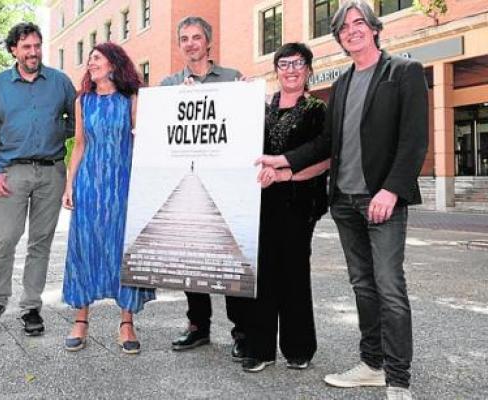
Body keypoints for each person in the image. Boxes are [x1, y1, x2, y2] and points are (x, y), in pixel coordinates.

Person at [256, 1, 428, 399]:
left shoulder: (403, 72)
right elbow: (326, 144)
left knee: (389, 287)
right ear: (338, 38)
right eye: (344, 27)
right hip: (345, 202)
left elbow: (414, 139)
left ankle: (398, 379)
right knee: (362, 287)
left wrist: (391, 189)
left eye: (358, 23)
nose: (352, 30)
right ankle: (371, 364)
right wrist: (283, 164)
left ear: (373, 28)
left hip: (382, 199)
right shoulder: (342, 84)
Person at [0, 22, 76, 335]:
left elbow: (79, 122)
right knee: (5, 238)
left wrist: (61, 134)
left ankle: (31, 306)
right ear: (13, 50)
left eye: (37, 46)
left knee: (40, 242)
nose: (33, 52)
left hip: (51, 171)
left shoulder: (60, 82)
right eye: (26, 47)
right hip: (11, 172)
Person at [159, 16, 247, 359]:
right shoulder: (168, 85)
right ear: (179, 44)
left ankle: (241, 331)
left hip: (226, 183)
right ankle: (198, 326)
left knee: (230, 258)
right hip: (187, 182)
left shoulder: (233, 78)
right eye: (185, 38)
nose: (191, 43)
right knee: (191, 257)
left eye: (197, 37)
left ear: (208, 42)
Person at [60, 42, 156, 355]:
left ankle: (126, 322)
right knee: (85, 246)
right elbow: (79, 145)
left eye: (97, 58)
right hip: (89, 184)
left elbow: (146, 138)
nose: (91, 63)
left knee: (122, 246)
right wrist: (69, 184)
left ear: (114, 64)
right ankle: (81, 319)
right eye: (89, 59)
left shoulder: (131, 98)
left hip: (123, 184)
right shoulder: (83, 100)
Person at [243, 43, 329, 373]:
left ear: (309, 70)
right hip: (259, 201)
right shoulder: (261, 107)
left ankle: (298, 347)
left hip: (299, 201)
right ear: (276, 70)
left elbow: (324, 159)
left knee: (293, 272)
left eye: (298, 63)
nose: (291, 69)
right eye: (284, 63)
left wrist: (283, 175)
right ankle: (260, 348)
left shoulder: (317, 109)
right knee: (262, 273)